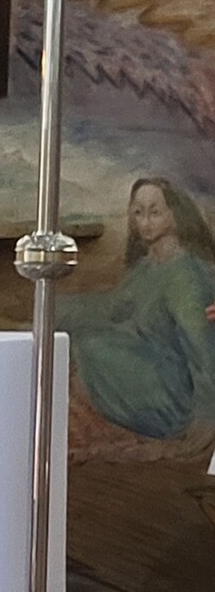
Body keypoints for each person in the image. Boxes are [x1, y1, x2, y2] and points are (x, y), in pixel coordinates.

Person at [60, 177, 215, 442]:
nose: (145, 222)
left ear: (174, 215)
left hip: (174, 393)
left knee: (90, 342)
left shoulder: (184, 276)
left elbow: (201, 348)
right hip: (150, 369)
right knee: (78, 334)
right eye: (138, 213)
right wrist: (56, 309)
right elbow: (110, 308)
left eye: (155, 213)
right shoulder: (146, 267)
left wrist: (206, 419)